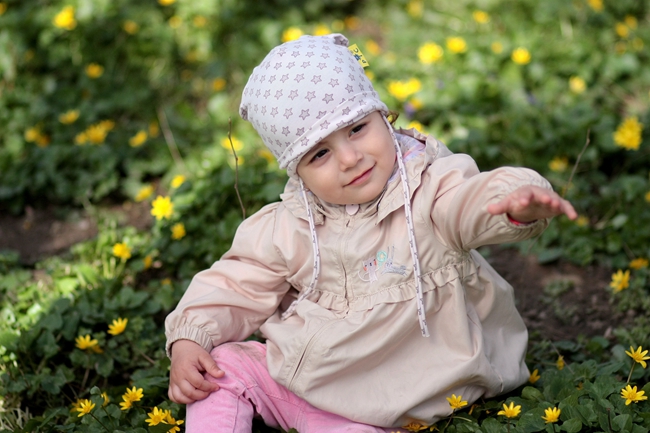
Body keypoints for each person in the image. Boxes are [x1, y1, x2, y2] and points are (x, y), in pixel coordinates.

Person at [165, 33, 577, 432]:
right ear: (298, 171)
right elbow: (235, 283)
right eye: (320, 153)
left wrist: (511, 200)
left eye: (357, 128)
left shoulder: (428, 188)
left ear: (383, 115)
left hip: (404, 400)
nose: (350, 158)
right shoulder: (289, 225)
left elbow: (467, 203)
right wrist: (190, 338)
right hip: (310, 388)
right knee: (220, 370)